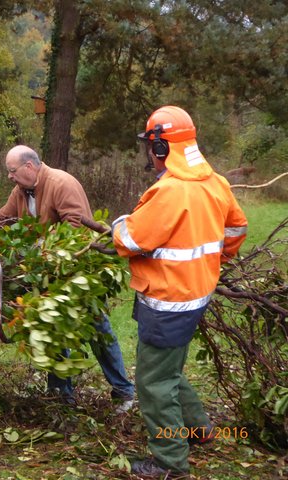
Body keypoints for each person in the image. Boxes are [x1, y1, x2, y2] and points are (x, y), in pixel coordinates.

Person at [112, 106, 248, 477]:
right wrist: (218, 255)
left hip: (167, 300)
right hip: (195, 296)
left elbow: (132, 239)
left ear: (159, 147)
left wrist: (119, 224)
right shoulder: (215, 182)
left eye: (149, 147)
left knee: (154, 382)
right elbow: (236, 229)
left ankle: (169, 461)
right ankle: (199, 429)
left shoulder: (170, 191)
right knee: (169, 368)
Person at [0, 145, 135, 409]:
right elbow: (2, 219)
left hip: (75, 269)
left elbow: (75, 223)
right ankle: (62, 396)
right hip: (47, 273)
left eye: (12, 171)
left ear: (29, 166)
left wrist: (46, 251)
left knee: (97, 328)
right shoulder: (21, 191)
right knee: (53, 328)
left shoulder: (61, 183)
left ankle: (124, 390)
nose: (9, 177)